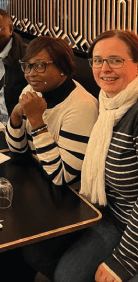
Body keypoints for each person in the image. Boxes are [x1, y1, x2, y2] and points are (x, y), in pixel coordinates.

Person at [23, 30, 138, 282]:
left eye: (116, 60)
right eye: (97, 60)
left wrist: (123, 261)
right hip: (105, 211)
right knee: (33, 250)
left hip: (129, 225)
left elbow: (61, 175)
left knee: (68, 276)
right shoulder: (109, 104)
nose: (104, 68)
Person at [5, 36, 98, 186]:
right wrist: (16, 113)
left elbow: (62, 176)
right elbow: (17, 148)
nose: (30, 73)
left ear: (63, 68)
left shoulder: (83, 107)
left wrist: (37, 122)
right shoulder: (31, 90)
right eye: (27, 66)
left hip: (67, 193)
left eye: (40, 65)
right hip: (36, 178)